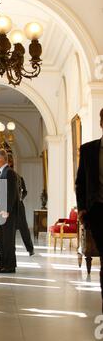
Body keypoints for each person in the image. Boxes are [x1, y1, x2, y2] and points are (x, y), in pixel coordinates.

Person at [76, 108, 103, 312]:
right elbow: (81, 182)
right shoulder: (88, 150)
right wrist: (83, 209)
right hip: (98, 212)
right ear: (101, 123)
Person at [0, 149, 19, 273]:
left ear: (1, 159)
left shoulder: (9, 173)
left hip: (7, 213)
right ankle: (2, 264)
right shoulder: (2, 173)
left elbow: (11, 194)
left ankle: (10, 266)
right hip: (1, 212)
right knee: (2, 241)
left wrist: (6, 210)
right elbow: (0, 195)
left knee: (8, 240)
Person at [8, 154, 34, 256]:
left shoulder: (18, 177)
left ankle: (30, 249)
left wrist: (20, 198)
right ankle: (12, 249)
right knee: (12, 229)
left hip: (18, 206)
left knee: (24, 228)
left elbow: (25, 191)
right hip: (13, 205)